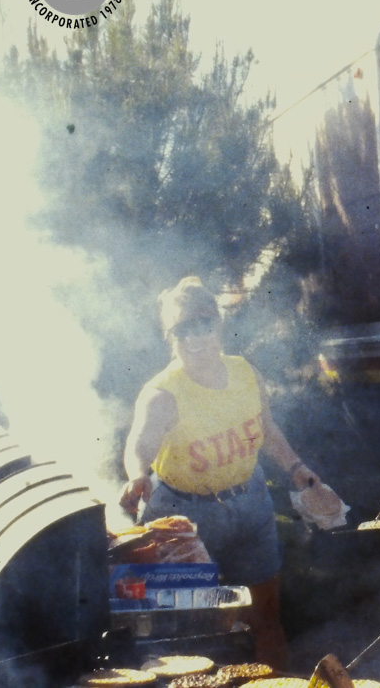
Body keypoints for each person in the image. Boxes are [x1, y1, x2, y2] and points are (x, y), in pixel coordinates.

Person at [118, 276, 326, 669]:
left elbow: (266, 427)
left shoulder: (245, 372)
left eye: (203, 324)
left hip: (250, 504)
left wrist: (296, 468)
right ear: (170, 337)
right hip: (185, 519)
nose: (195, 337)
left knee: (265, 617)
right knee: (191, 633)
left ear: (218, 324)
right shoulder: (162, 393)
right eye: (183, 330)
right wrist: (137, 474)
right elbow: (139, 442)